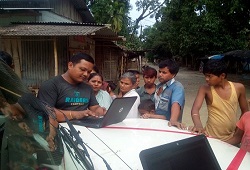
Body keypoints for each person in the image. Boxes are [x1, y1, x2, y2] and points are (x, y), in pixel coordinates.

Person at [189, 59, 249, 142]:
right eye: (205, 76)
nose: (206, 79)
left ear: (222, 76)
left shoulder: (239, 88)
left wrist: (238, 132)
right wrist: (198, 125)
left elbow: (245, 112)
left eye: (209, 76)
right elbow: (195, 109)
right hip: (210, 136)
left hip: (232, 138)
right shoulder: (205, 89)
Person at [37, 53, 106, 122]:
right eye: (82, 69)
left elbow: (94, 107)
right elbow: (46, 113)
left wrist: (99, 111)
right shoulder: (51, 85)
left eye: (89, 72)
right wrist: (76, 114)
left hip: (85, 127)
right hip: (60, 129)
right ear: (70, 65)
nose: (86, 74)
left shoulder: (87, 88)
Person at [154, 59, 185, 128]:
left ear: (173, 75)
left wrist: (173, 120)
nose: (160, 75)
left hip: (168, 126)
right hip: (156, 123)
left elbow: (176, 103)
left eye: (164, 73)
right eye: (159, 71)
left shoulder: (177, 87)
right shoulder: (158, 85)